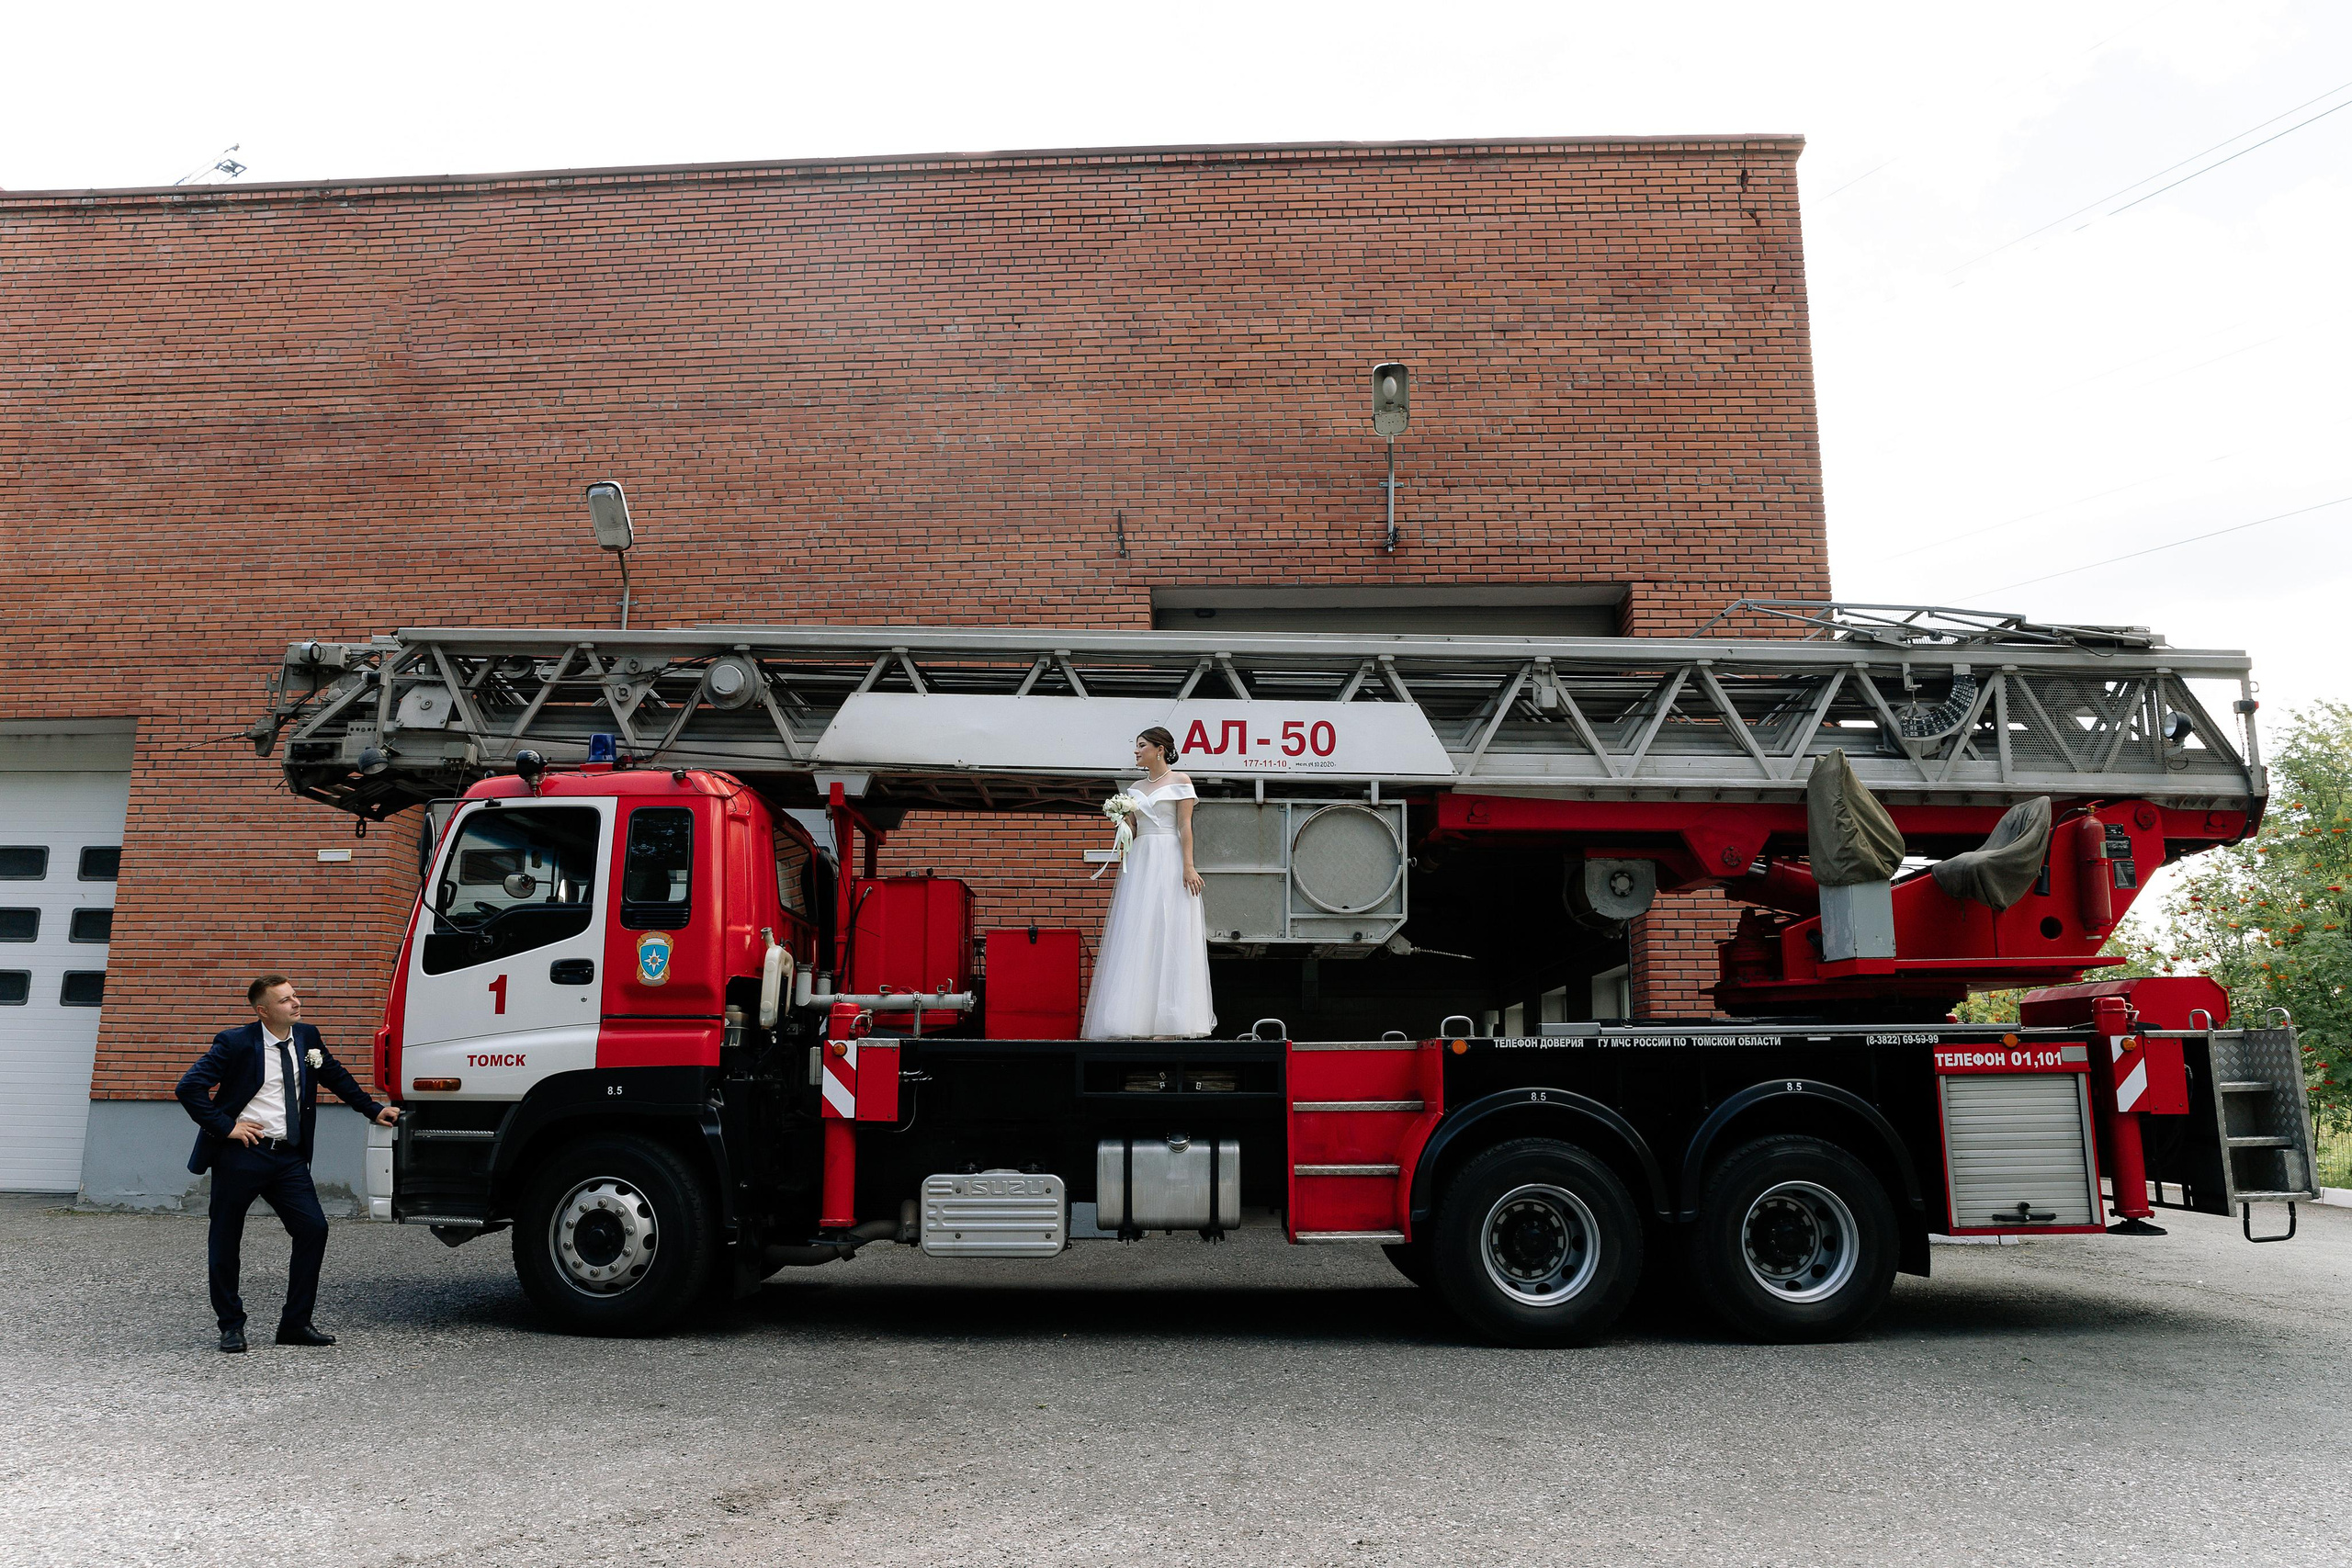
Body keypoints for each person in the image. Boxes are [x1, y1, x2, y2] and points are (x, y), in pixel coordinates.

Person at [175, 975, 401, 1353]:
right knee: (226, 1239)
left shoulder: (307, 1036)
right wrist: (226, 1127)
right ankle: (231, 1325)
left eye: (295, 996)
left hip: (289, 1157)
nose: (295, 1003)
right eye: (285, 1000)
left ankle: (295, 1323)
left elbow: (334, 1075)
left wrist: (372, 1110)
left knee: (313, 1229)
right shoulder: (234, 1043)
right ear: (263, 1011)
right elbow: (189, 1087)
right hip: (242, 1154)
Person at [1082, 728, 1216, 1038]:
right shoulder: (1134, 787)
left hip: (1168, 856)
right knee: (1139, 930)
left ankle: (1171, 1021)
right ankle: (1134, 1020)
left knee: (1171, 928)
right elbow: (1135, 829)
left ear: (1159, 749)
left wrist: (1189, 866)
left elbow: (1185, 826)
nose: (1136, 751)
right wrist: (1122, 820)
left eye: (1141, 746)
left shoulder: (1181, 781)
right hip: (1142, 859)